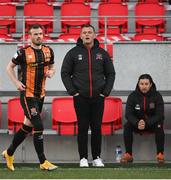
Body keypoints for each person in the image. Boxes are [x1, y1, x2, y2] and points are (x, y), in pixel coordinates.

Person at [2, 24, 58, 171]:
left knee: (27, 127)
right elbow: (9, 68)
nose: (39, 36)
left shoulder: (48, 51)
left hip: (41, 95)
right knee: (38, 125)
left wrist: (51, 73)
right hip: (27, 95)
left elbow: (52, 67)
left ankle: (9, 153)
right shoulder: (22, 53)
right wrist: (16, 82)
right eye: (35, 34)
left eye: (40, 33)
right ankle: (43, 162)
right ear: (30, 36)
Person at [61, 24, 115, 167]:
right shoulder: (73, 53)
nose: (87, 34)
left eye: (89, 32)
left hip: (98, 97)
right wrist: (73, 92)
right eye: (84, 32)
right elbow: (65, 73)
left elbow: (111, 73)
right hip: (81, 98)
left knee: (97, 127)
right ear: (80, 35)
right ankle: (83, 158)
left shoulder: (102, 53)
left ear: (94, 35)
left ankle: (97, 157)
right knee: (83, 127)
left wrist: (105, 92)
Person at [121, 74, 165, 163]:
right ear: (138, 84)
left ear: (151, 84)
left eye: (146, 84)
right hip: (137, 124)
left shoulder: (157, 96)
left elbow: (159, 114)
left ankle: (160, 154)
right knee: (127, 126)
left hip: (152, 124)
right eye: (141, 84)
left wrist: (147, 122)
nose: (144, 86)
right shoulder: (132, 96)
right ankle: (128, 154)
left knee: (159, 125)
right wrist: (137, 122)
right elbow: (128, 114)